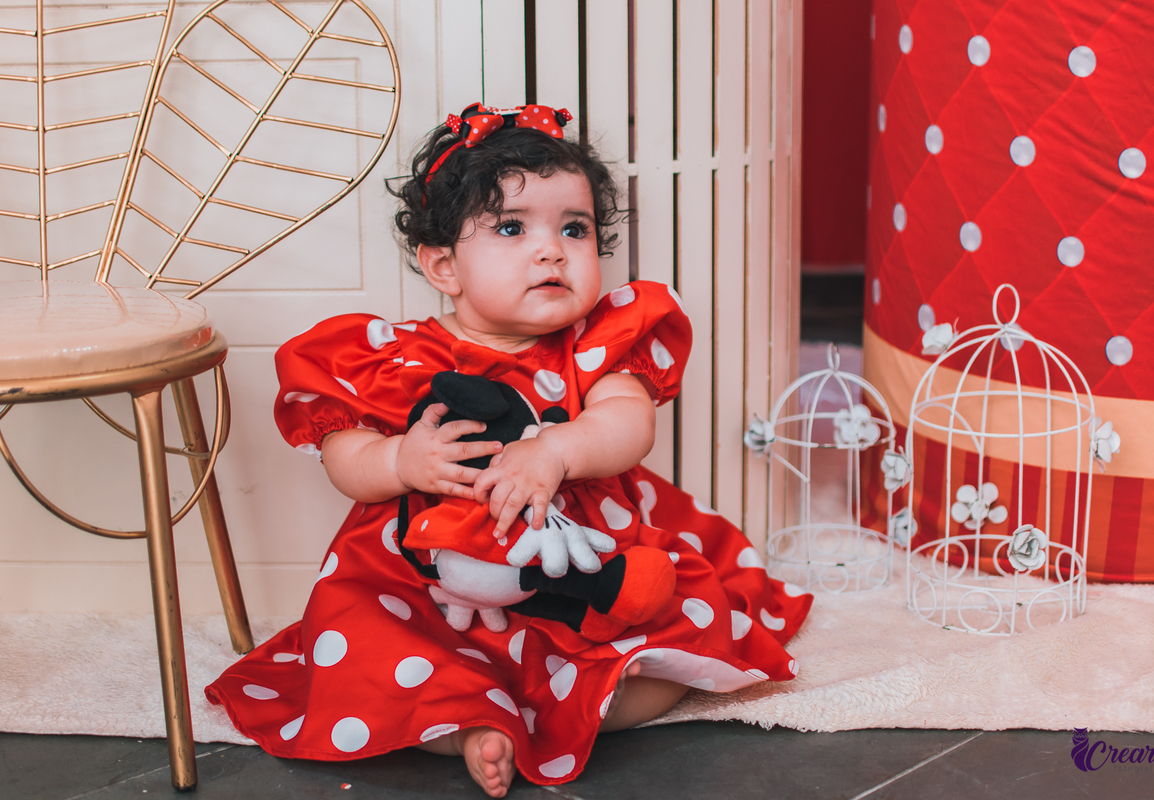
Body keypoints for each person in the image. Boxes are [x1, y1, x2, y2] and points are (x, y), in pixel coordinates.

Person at [206, 102, 813, 798]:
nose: (551, 249)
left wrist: (557, 450)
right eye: (512, 228)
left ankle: (572, 699)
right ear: (443, 266)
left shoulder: (597, 345)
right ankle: (467, 723)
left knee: (664, 635)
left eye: (574, 229)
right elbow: (346, 452)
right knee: (375, 646)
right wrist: (401, 461)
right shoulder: (393, 357)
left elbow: (629, 424)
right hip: (427, 583)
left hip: (577, 561)